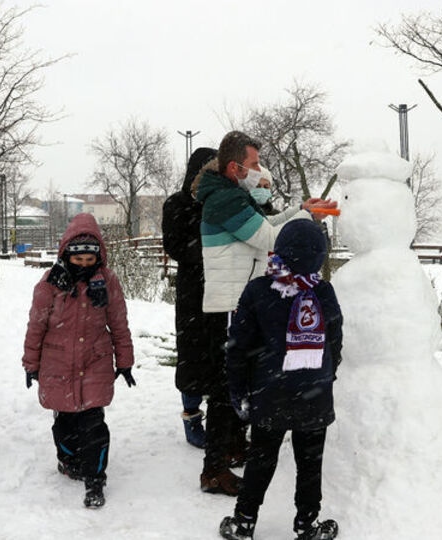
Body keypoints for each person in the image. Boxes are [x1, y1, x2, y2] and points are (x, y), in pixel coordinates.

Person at [194, 131, 335, 495]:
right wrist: (305, 216)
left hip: (239, 299)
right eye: (254, 164)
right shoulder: (224, 200)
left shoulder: (233, 194)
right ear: (233, 166)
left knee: (236, 382)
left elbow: (269, 225)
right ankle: (214, 468)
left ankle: (230, 448)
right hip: (229, 303)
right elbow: (271, 240)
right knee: (226, 390)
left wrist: (301, 209)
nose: (259, 170)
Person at [219, 220, 343, 540]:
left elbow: (238, 346)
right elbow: (335, 341)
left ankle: (244, 521)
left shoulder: (259, 291)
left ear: (280, 251)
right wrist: (326, 374)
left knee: (261, 459)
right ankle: (307, 525)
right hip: (314, 396)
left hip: (269, 393)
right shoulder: (323, 291)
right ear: (319, 256)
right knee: (309, 465)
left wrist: (239, 389)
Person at [21, 213, 135, 509]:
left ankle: (95, 477)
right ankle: (69, 459)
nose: (84, 265)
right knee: (65, 423)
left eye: (89, 260)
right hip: (57, 365)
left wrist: (124, 361)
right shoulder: (50, 284)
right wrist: (31, 364)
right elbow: (36, 326)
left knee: (93, 424)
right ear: (66, 255)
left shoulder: (107, 281)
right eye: (78, 260)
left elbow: (119, 324)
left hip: (95, 360)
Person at [162, 147, 218, 449]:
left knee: (221, 351)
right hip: (192, 290)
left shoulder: (223, 200)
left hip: (224, 286)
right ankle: (192, 416)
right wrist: (210, 250)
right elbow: (174, 244)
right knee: (192, 353)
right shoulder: (177, 203)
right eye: (206, 171)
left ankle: (224, 413)